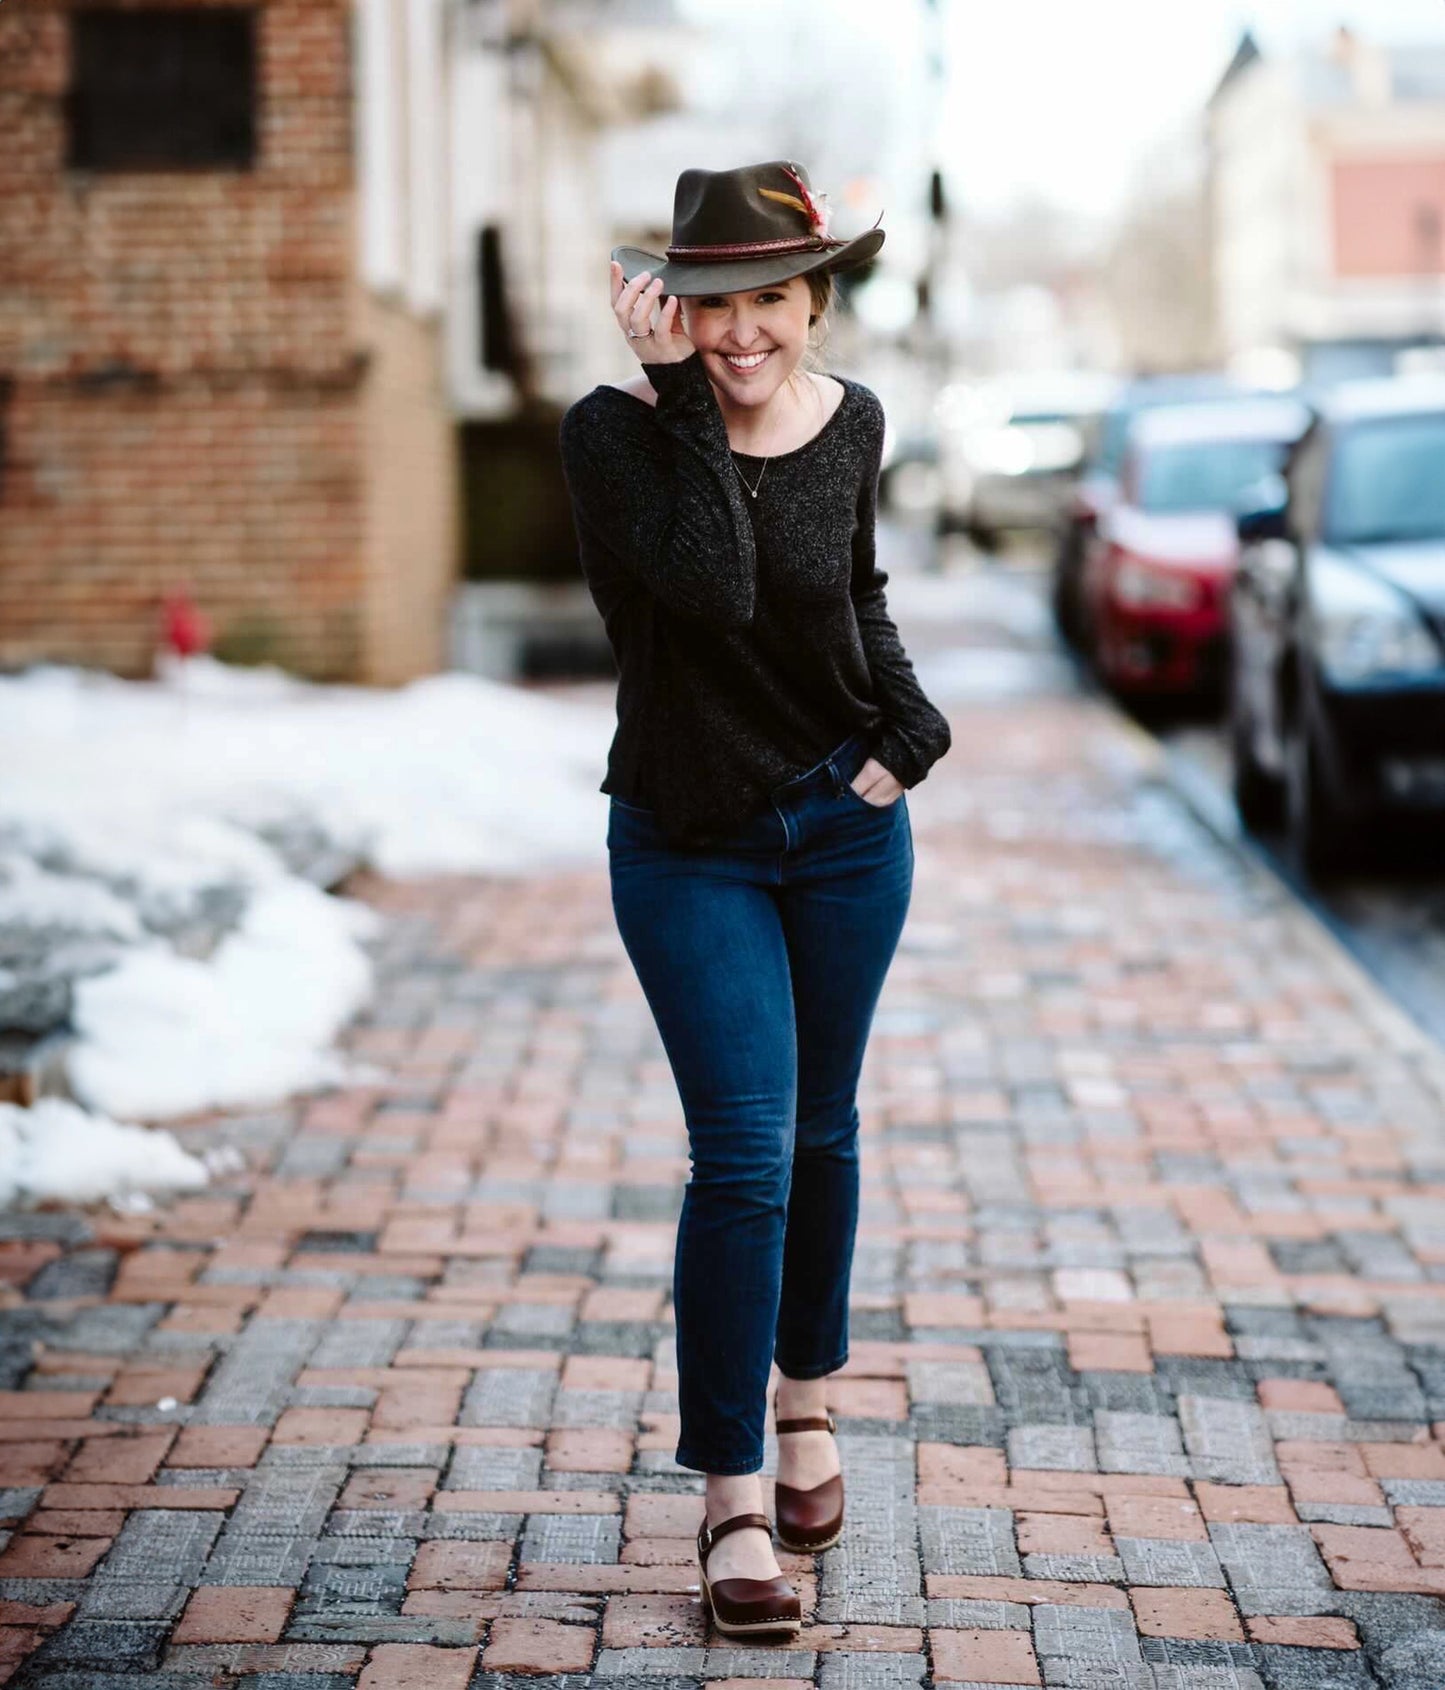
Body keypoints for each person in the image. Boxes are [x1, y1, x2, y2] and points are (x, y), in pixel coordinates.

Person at [557, 160, 952, 1639]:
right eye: (713, 306)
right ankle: (728, 1489)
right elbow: (716, 586)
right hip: (686, 837)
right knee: (742, 1154)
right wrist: (673, 397)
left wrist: (907, 733)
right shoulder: (613, 435)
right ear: (671, 307)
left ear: (814, 300)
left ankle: (805, 1404)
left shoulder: (852, 420)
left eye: (770, 301)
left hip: (842, 827)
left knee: (820, 1123)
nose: (740, 336)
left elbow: (845, 592)